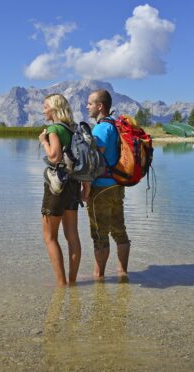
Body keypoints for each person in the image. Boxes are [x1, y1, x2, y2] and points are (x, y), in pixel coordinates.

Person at [84, 89, 130, 281]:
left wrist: (85, 188)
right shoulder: (114, 125)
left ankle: (98, 277)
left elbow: (94, 161)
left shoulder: (101, 128)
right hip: (116, 185)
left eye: (90, 103)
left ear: (100, 106)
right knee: (119, 230)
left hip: (101, 188)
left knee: (99, 235)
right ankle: (122, 273)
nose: (87, 107)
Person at [38, 93, 83, 287]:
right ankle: (72, 281)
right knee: (72, 236)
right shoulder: (73, 130)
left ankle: (61, 284)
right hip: (73, 186)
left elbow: (55, 157)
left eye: (46, 106)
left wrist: (44, 141)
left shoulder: (54, 128)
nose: (43, 110)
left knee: (50, 238)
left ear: (54, 109)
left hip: (57, 187)